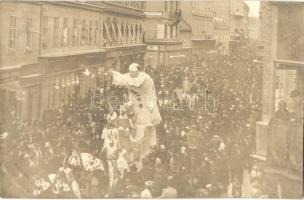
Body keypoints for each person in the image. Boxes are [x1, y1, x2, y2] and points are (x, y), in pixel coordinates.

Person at [110, 63, 162, 161]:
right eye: (130, 72)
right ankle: (136, 148)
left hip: (145, 103)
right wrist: (113, 72)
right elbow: (120, 80)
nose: (132, 74)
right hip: (134, 103)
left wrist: (151, 104)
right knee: (134, 124)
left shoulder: (146, 78)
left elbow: (151, 92)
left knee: (144, 125)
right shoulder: (127, 77)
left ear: (139, 71)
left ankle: (146, 148)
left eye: (134, 72)